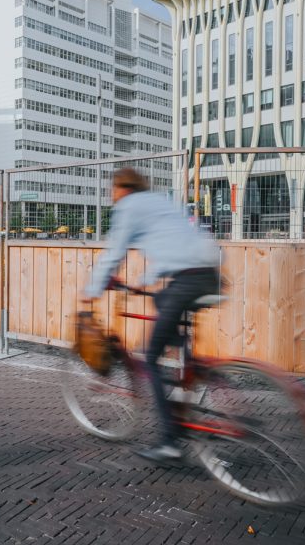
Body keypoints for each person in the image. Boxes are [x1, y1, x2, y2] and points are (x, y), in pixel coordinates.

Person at [81, 167, 221, 463]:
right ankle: (189, 380)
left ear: (121, 188)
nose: (112, 195)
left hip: (187, 279)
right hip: (210, 273)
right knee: (162, 301)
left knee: (150, 357)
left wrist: (93, 289)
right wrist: (142, 282)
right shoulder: (160, 201)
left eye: (113, 189)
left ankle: (169, 442)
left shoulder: (129, 206)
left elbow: (114, 253)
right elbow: (172, 246)